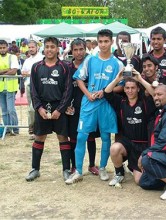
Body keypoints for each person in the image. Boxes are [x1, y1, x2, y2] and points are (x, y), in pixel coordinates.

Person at [65, 29, 124, 185]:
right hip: (89, 103)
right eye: (101, 41)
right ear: (97, 43)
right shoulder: (90, 60)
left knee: (105, 137)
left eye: (106, 41)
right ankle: (78, 171)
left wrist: (106, 92)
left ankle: (103, 168)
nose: (103, 44)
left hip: (106, 105)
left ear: (112, 42)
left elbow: (123, 86)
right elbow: (78, 78)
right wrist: (87, 93)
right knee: (81, 137)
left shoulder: (118, 63)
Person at [25, 37, 72, 182]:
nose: (50, 49)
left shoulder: (64, 67)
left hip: (59, 108)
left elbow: (68, 90)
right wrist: (38, 108)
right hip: (43, 107)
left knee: (63, 137)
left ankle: (65, 169)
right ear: (43, 48)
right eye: (47, 47)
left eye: (53, 47)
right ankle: (35, 169)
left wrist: (60, 109)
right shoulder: (36, 67)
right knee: (39, 137)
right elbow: (33, 90)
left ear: (58, 49)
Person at [103, 68, 155, 187]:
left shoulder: (145, 102)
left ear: (137, 89)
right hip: (127, 143)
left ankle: (136, 168)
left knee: (139, 181)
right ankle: (119, 174)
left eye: (133, 88)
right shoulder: (120, 102)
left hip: (143, 146)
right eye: (127, 88)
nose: (130, 90)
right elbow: (107, 92)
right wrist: (118, 79)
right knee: (114, 148)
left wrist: (140, 79)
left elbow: (154, 93)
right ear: (124, 89)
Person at [65, 38, 99, 175]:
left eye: (81, 49)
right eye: (75, 50)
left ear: (86, 49)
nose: (79, 53)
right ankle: (74, 166)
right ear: (71, 51)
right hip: (73, 109)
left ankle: (91, 164)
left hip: (89, 106)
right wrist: (66, 105)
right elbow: (64, 89)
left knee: (90, 137)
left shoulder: (92, 65)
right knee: (74, 138)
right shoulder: (67, 68)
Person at [21, 40, 43, 140]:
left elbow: (39, 72)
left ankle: (35, 129)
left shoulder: (41, 59)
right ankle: (33, 129)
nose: (30, 49)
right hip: (28, 85)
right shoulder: (27, 60)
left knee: (33, 108)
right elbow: (22, 72)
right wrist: (27, 73)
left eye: (32, 47)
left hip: (38, 87)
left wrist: (29, 73)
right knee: (31, 109)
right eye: (29, 47)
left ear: (37, 47)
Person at [0, 39, 20, 135]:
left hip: (10, 87)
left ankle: (15, 129)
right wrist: (6, 70)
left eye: (4, 47)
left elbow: (13, 71)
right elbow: (10, 70)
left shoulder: (12, 57)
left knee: (11, 109)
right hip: (1, 87)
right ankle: (7, 129)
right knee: (4, 110)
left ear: (7, 47)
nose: (2, 50)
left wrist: (2, 72)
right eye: (0, 48)